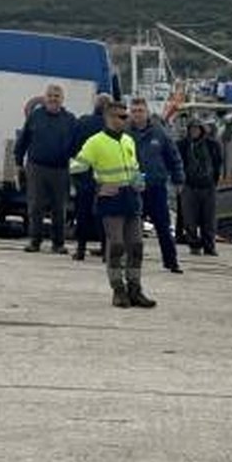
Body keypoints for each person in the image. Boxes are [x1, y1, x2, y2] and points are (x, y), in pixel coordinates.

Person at [70, 100, 155, 308]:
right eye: (122, 117)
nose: (126, 120)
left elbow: (134, 166)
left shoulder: (128, 140)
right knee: (116, 246)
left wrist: (139, 182)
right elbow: (76, 168)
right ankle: (118, 290)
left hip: (131, 200)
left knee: (136, 246)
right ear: (109, 118)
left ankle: (135, 288)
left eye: (126, 117)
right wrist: (97, 187)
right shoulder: (95, 142)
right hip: (111, 202)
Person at [13, 84, 77, 254]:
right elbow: (23, 140)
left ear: (62, 99)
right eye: (50, 95)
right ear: (44, 97)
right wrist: (18, 163)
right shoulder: (35, 116)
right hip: (36, 168)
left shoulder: (70, 119)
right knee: (35, 207)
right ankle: (34, 241)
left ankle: (58, 244)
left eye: (57, 96)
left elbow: (77, 146)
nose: (53, 98)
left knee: (59, 208)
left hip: (60, 170)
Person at [128, 97, 185, 273]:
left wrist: (178, 178)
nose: (138, 114)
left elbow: (173, 157)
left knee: (163, 227)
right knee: (132, 228)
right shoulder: (125, 134)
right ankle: (131, 260)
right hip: (134, 187)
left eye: (140, 110)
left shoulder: (159, 133)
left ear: (147, 112)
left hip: (156, 186)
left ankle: (171, 261)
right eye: (134, 111)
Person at [70, 93, 111, 261]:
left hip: (83, 174)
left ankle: (80, 249)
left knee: (83, 213)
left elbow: (72, 146)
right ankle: (105, 250)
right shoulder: (113, 127)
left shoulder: (82, 122)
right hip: (105, 176)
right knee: (104, 215)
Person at [177, 120, 222, 256]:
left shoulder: (212, 145)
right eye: (192, 129)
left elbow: (218, 163)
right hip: (189, 185)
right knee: (189, 219)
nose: (194, 132)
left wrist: (215, 181)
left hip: (208, 186)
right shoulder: (183, 145)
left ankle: (209, 247)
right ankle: (194, 244)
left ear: (202, 130)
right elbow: (177, 163)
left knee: (209, 219)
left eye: (197, 129)